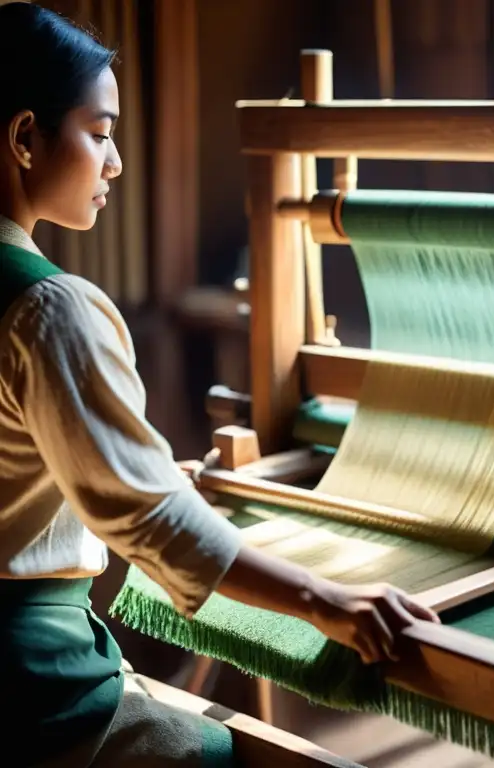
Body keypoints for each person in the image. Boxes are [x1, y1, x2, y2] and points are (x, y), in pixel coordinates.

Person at [0, 4, 439, 766]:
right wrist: (326, 599)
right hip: (29, 693)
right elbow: (147, 519)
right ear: (24, 137)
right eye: (100, 133)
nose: (116, 164)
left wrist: (154, 473)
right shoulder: (49, 309)